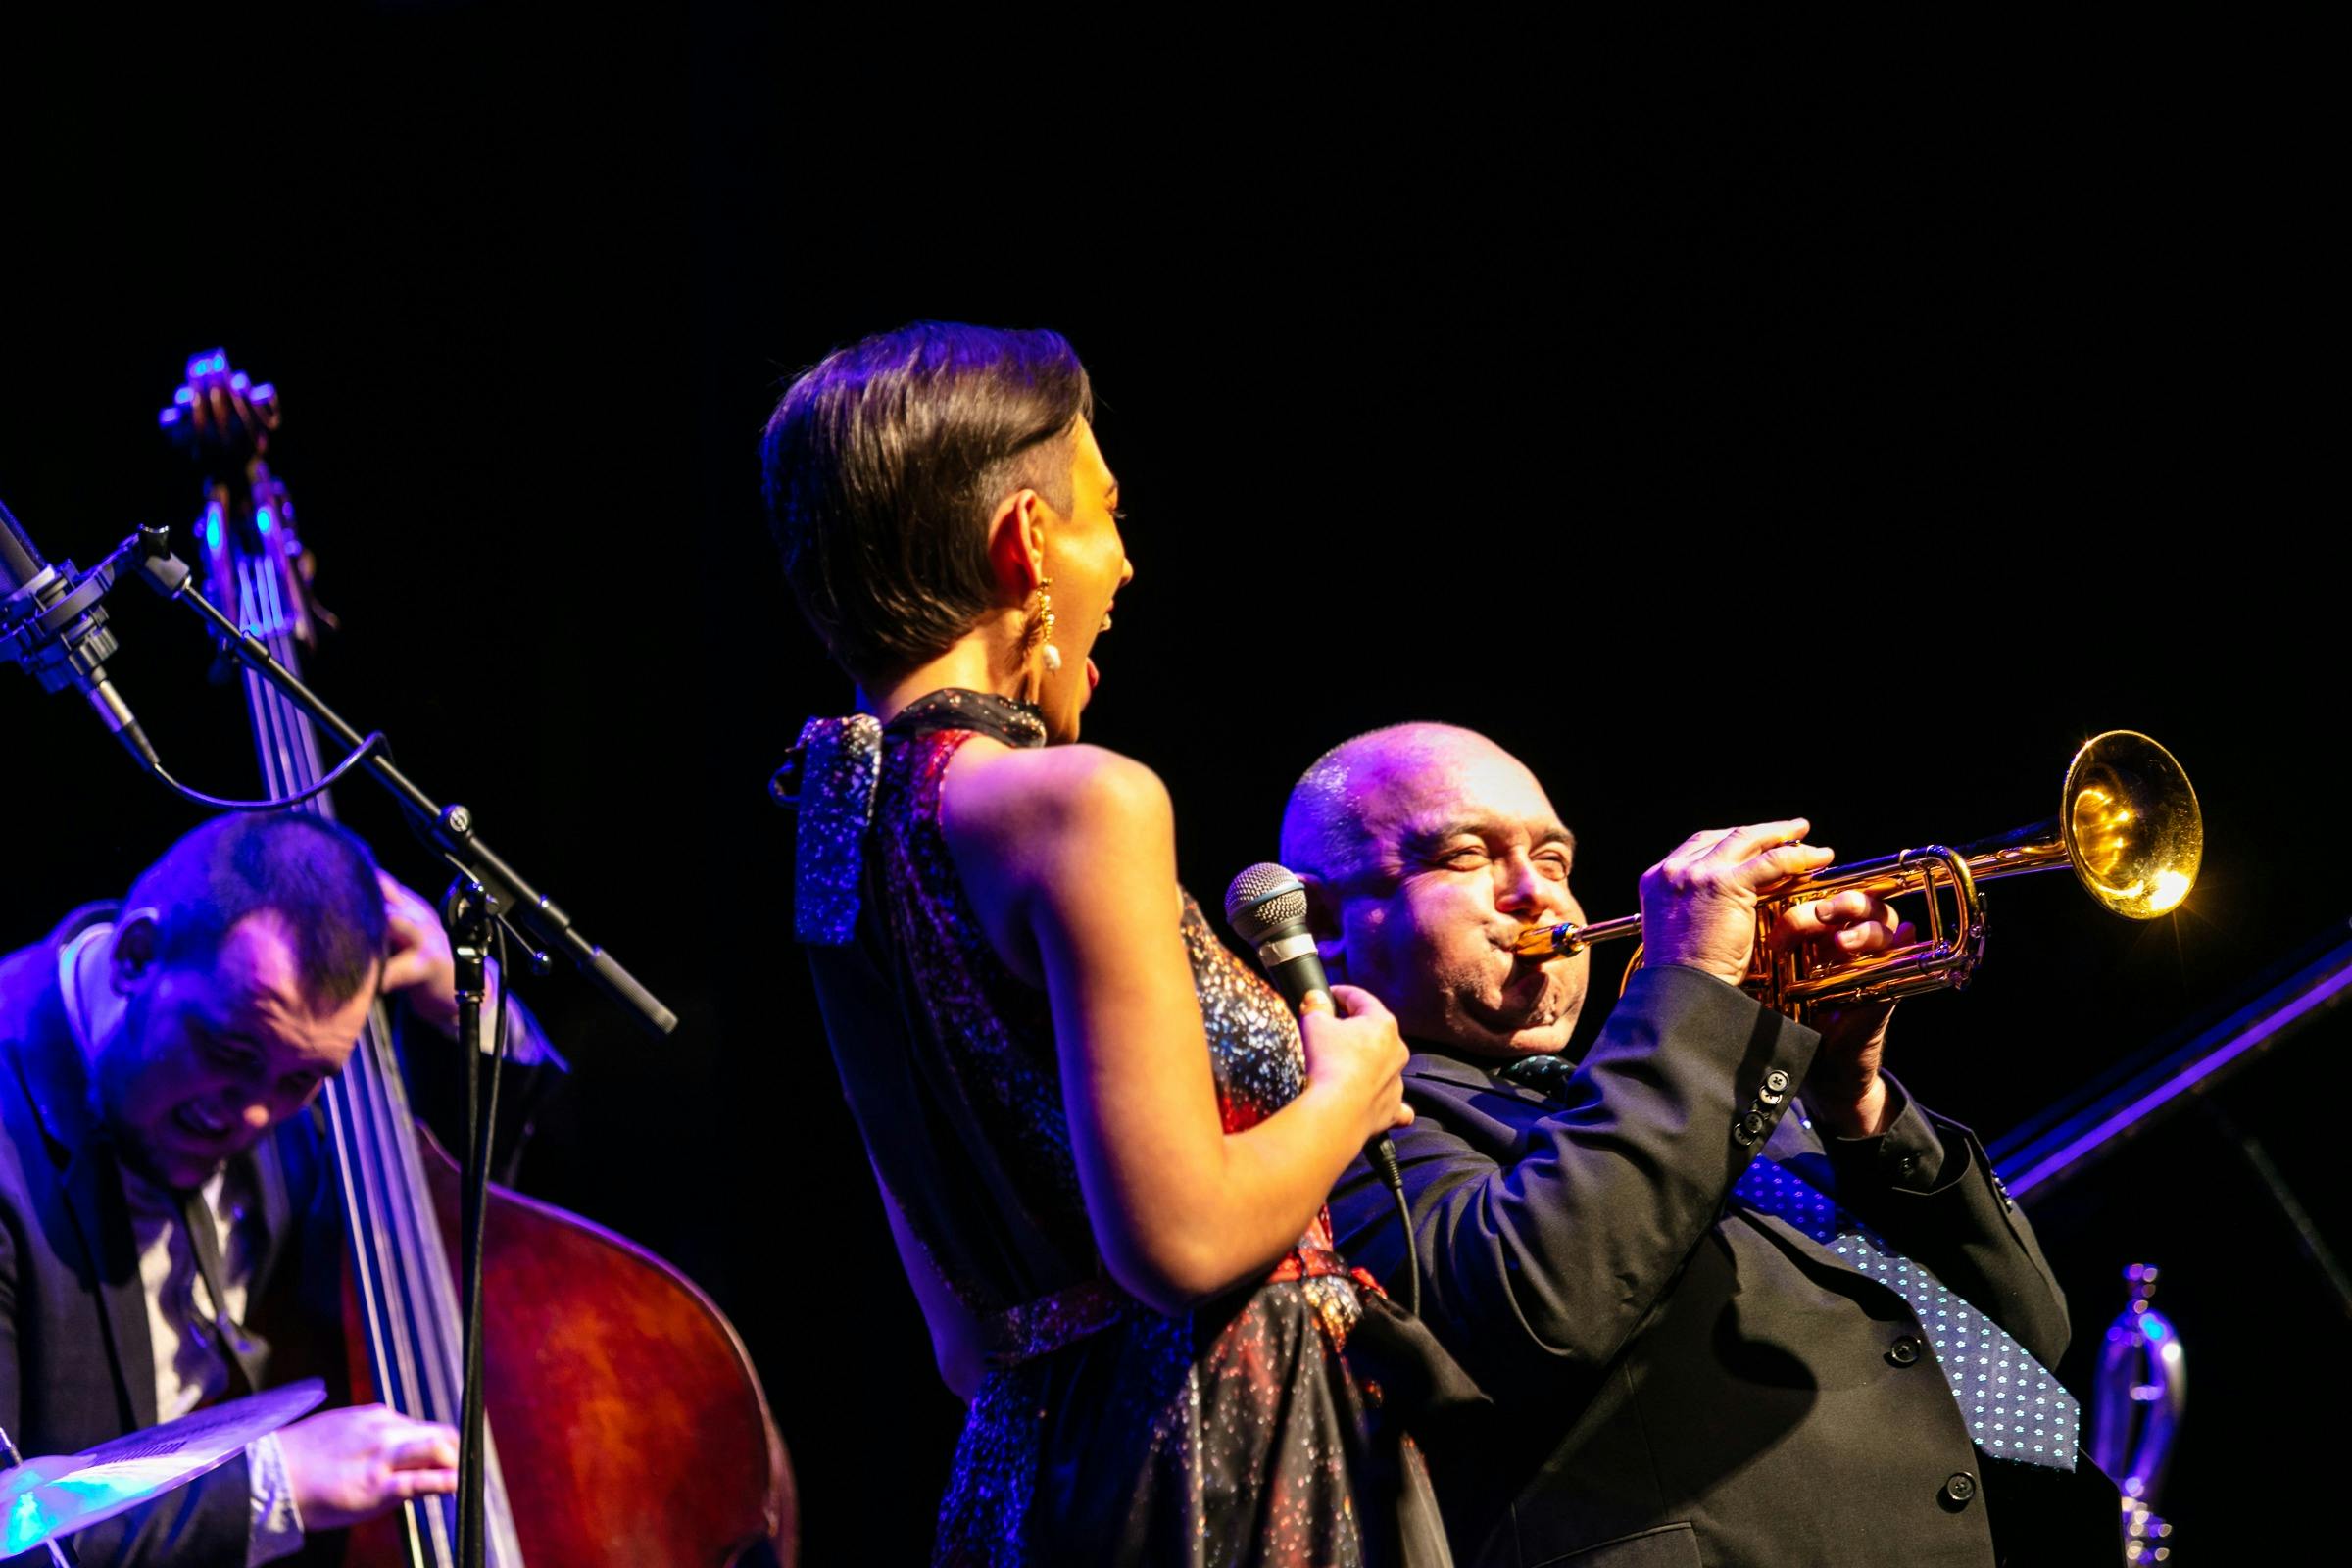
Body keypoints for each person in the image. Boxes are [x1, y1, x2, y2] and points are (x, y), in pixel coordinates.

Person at [765, 321, 1456, 1565]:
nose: (1124, 566)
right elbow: (1179, 1242)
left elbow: (964, 1337)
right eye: (1104, 517)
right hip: (1222, 1466)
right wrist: (1348, 1092)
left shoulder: (837, 827)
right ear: (1026, 541)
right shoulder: (1081, 803)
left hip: (1030, 1481)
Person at [1291, 724, 2121, 1567]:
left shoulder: (1705, 1087)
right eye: (1466, 856)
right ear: (1325, 922)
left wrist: (1854, 1100)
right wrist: (1688, 992)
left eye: (1554, 861)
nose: (1534, 894)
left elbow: (2030, 1334)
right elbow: (1531, 1315)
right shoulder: (1341, 1125)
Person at [0, 808, 561, 1566]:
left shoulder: (277, 1063)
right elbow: (6, 1523)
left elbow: (443, 1228)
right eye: (227, 1050)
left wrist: (464, 1009)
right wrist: (269, 1482)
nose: (255, 1112)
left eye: (301, 1079)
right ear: (135, 959)